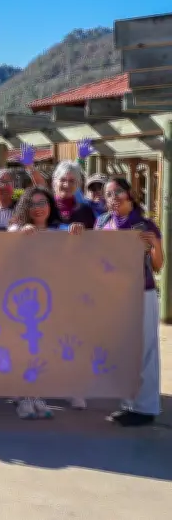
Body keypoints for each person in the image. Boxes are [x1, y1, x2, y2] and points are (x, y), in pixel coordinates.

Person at [7, 186, 83, 419]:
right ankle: (25, 396)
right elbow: (4, 242)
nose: (38, 208)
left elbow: (80, 250)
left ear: (51, 206)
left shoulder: (60, 230)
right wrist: (20, 231)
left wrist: (77, 230)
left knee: (51, 346)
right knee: (28, 346)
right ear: (25, 209)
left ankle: (45, 392)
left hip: (55, 299)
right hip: (27, 300)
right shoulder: (18, 229)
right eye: (33, 204)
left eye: (43, 203)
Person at [96, 177, 163, 427]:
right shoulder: (103, 223)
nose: (113, 198)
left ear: (129, 195)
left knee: (145, 350)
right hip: (114, 296)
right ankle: (128, 404)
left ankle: (145, 408)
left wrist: (154, 244)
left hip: (141, 293)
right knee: (122, 351)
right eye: (108, 194)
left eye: (118, 193)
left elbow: (158, 266)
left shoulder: (144, 225)